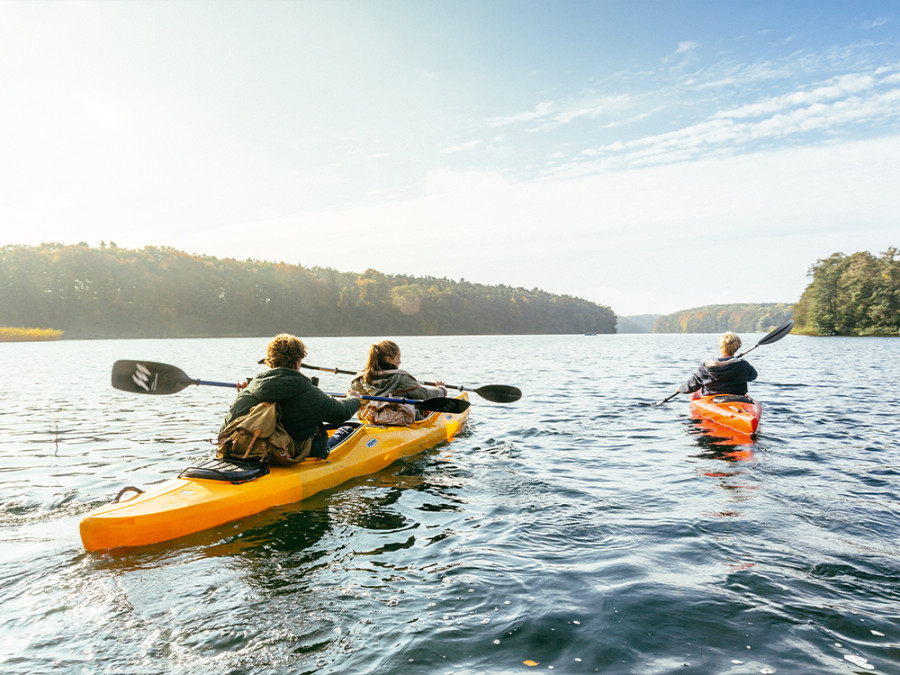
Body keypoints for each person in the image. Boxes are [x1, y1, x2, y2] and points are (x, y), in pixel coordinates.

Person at [222, 333, 360, 459]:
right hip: (290, 454)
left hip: (254, 452)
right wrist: (353, 398)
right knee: (346, 429)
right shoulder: (310, 393)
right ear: (296, 363)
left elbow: (225, 428)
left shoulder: (250, 389)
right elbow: (342, 413)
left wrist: (243, 396)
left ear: (270, 362)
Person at [349, 340, 447, 422]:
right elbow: (427, 396)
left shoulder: (358, 379)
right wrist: (441, 389)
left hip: (370, 420)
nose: (400, 362)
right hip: (399, 421)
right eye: (398, 358)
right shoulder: (402, 378)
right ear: (388, 359)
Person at [675, 331, 758, 397]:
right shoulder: (743, 365)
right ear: (737, 347)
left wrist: (680, 389)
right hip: (738, 397)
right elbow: (753, 376)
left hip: (712, 397)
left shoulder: (706, 367)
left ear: (720, 346)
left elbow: (692, 385)